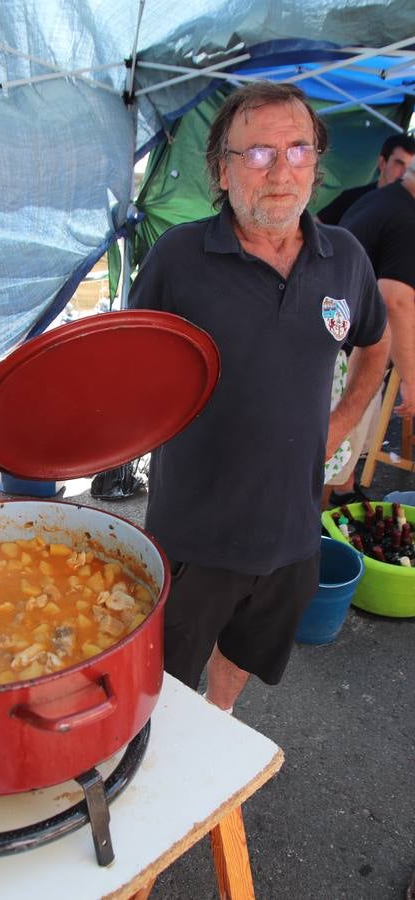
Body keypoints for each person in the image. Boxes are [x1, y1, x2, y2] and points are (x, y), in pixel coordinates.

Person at [128, 81, 390, 712]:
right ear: (222, 169)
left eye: (298, 150)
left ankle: (219, 732)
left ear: (317, 165)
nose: (282, 171)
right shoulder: (180, 257)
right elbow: (127, 368)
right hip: (195, 533)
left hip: (292, 531)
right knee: (158, 682)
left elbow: (375, 344)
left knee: (241, 660)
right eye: (259, 154)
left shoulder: (343, 257)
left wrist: (345, 419)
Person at [323, 157, 415, 506]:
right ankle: (317, 535)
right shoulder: (407, 220)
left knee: (340, 455)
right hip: (344, 350)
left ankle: (337, 502)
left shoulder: (382, 198)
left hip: (341, 339)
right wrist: (411, 379)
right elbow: (396, 300)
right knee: (330, 458)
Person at [316, 133, 415, 225]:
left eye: (411, 168)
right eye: (399, 163)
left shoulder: (410, 212)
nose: (405, 172)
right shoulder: (352, 198)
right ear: (382, 162)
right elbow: (315, 226)